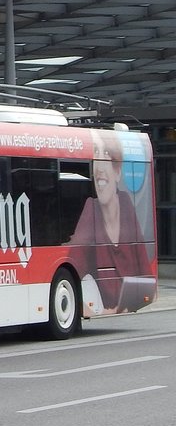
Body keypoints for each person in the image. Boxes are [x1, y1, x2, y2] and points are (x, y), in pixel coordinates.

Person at [66, 129, 151, 314]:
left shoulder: (127, 205)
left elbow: (146, 281)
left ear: (118, 172)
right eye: (96, 154)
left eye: (108, 156)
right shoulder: (91, 210)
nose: (100, 167)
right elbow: (71, 265)